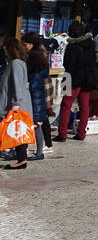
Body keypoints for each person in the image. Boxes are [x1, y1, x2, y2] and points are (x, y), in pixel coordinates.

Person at [56, 22, 98, 142]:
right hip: (87, 79)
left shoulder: (71, 45)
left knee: (65, 105)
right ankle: (81, 133)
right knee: (84, 107)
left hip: (72, 78)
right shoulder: (91, 44)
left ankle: (62, 134)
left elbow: (67, 64)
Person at [0, 36, 33, 170]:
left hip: (14, 105)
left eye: (4, 48)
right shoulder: (17, 63)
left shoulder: (16, 64)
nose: (3, 51)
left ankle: (21, 160)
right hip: (15, 103)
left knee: (16, 131)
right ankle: (21, 159)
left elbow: (18, 84)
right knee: (17, 132)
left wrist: (16, 103)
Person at [21, 33, 53, 159]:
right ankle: (37, 150)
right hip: (40, 94)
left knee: (36, 124)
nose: (24, 47)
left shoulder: (33, 59)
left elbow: (33, 83)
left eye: (25, 45)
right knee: (37, 124)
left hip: (35, 96)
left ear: (31, 44)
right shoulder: (41, 56)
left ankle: (37, 151)